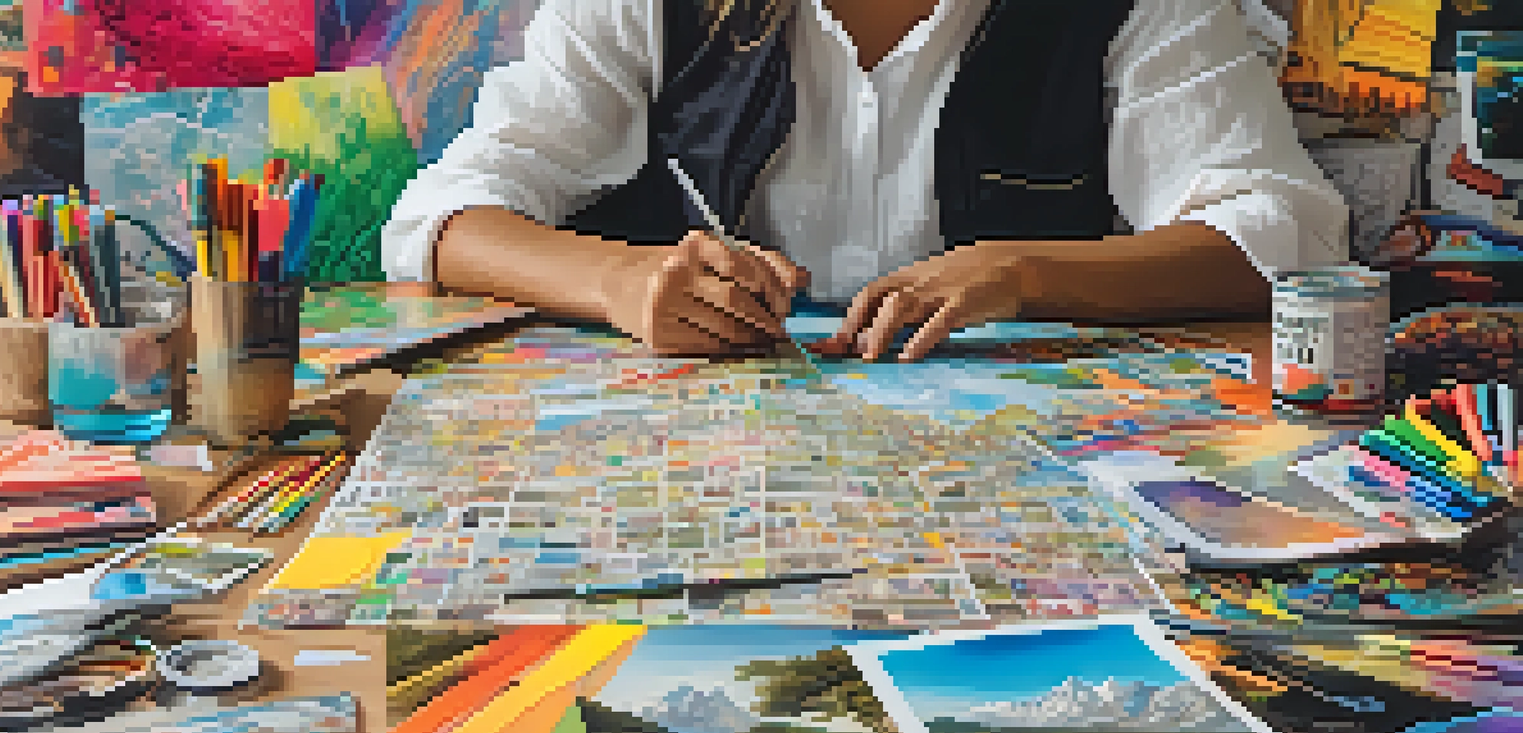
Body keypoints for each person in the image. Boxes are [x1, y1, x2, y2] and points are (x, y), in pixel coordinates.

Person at [385, 0, 1348, 361]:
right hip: (710, 480)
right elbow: (439, 217)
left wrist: (1025, 271)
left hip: (1024, 490)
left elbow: (1284, 234)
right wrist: (621, 284)